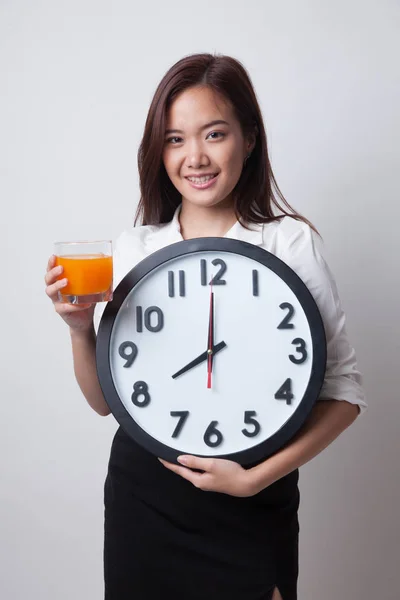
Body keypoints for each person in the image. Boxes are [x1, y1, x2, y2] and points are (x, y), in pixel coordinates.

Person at [45, 53, 367, 600]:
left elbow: (344, 393)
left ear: (249, 138)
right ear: (159, 151)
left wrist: (255, 479)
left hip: (251, 500)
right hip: (143, 500)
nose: (195, 157)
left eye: (213, 134)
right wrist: (80, 328)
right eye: (174, 139)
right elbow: (106, 402)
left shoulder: (288, 242)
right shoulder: (135, 248)